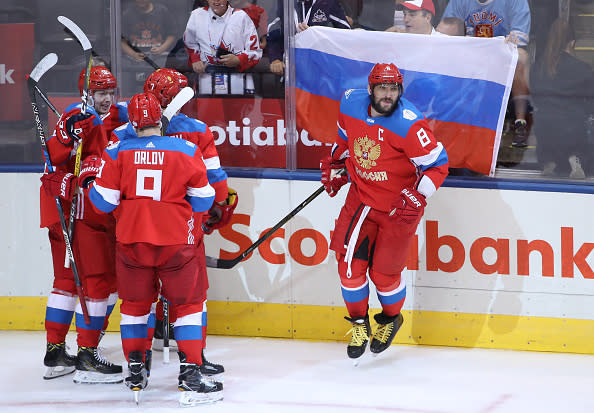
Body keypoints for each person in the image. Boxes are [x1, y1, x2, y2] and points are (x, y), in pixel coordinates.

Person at [87, 92, 223, 405]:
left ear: (132, 122)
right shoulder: (186, 149)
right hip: (177, 242)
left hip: (132, 242)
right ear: (160, 120)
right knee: (187, 306)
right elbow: (204, 199)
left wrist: (93, 181)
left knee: (135, 307)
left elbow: (102, 203)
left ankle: (135, 370)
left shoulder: (116, 152)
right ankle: (190, 377)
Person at [320, 63, 449, 360]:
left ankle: (391, 319)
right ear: (370, 89)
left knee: (384, 276)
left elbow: (438, 165)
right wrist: (336, 164)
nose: (388, 95)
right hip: (362, 200)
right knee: (350, 269)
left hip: (399, 208)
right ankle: (359, 325)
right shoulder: (350, 103)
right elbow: (345, 137)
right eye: (382, 88)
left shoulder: (410, 124)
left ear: (400, 91)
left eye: (393, 89)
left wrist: (418, 194)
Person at [142, 68, 234, 377]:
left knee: (140, 293)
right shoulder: (196, 129)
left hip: (139, 228)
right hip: (184, 227)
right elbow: (216, 183)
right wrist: (217, 208)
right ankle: (194, 356)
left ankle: (141, 357)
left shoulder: (130, 132)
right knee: (192, 294)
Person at [40, 66, 125, 383]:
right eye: (101, 93)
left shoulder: (84, 117)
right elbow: (53, 155)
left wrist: (68, 142)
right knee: (98, 283)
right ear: (87, 93)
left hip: (63, 210)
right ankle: (87, 355)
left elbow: (52, 158)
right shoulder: (81, 116)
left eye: (110, 92)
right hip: (81, 214)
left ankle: (56, 350)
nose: (107, 99)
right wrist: (71, 139)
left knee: (64, 284)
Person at [440, 0, 532, 147]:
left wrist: (500, 45)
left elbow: (520, 38)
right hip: (469, 55)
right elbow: (445, 33)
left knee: (521, 57)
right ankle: (454, 119)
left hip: (502, 55)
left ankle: (520, 121)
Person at [530, 18, 594, 178]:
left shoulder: (538, 67)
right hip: (573, 129)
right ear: (572, 43)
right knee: (580, 123)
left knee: (547, 121)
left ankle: (548, 160)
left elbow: (535, 97)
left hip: (544, 130)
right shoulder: (583, 68)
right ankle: (576, 156)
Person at [183, 0, 262, 94]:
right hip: (206, 77)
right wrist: (195, 59)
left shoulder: (241, 17)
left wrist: (239, 59)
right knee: (207, 108)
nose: (216, 0)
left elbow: (255, 52)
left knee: (237, 107)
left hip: (237, 78)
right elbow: (189, 43)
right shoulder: (197, 15)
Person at [121, 0, 176, 67]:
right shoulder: (127, 14)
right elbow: (121, 41)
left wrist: (162, 48)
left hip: (160, 56)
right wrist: (133, 54)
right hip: (134, 58)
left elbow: (172, 34)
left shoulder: (162, 11)